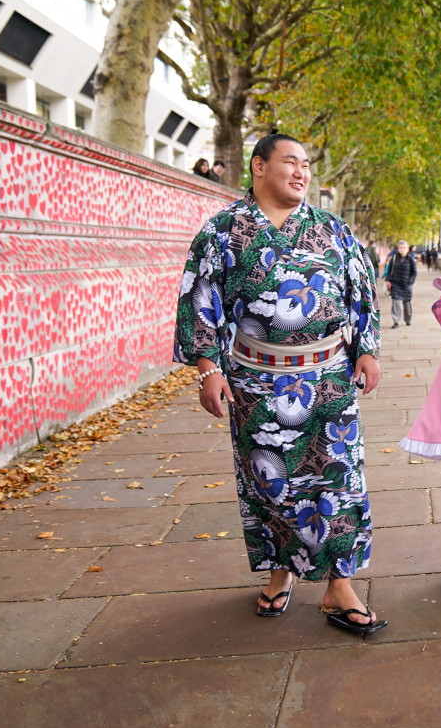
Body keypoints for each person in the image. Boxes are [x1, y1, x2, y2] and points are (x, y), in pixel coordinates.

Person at [173, 132, 386, 634]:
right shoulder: (223, 231)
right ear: (258, 166)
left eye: (307, 164)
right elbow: (200, 298)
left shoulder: (332, 230)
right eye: (290, 161)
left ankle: (339, 586)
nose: (302, 172)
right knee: (268, 482)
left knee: (337, 480)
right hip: (255, 381)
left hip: (330, 376)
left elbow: (362, 291)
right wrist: (208, 370)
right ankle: (280, 572)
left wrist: (368, 349)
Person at [385, 240, 417, 328]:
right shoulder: (394, 258)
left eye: (404, 247)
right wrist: (388, 280)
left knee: (407, 304)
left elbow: (414, 272)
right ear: (398, 249)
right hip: (395, 284)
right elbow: (389, 270)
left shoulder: (411, 259)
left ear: (407, 249)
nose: (402, 249)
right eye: (400, 247)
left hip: (407, 285)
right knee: (396, 303)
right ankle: (396, 322)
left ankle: (408, 320)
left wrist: (411, 281)